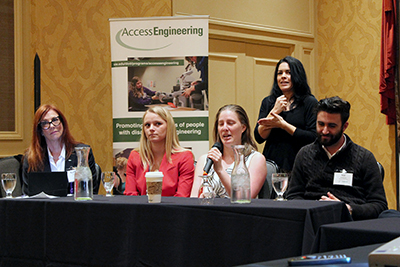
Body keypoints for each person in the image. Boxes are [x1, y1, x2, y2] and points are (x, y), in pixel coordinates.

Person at [286, 96, 388, 220]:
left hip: (349, 223)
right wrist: (315, 208)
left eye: (331, 126)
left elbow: (380, 205)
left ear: (344, 127)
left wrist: (348, 209)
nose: (324, 131)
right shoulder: (304, 154)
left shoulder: (364, 158)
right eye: (321, 124)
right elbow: (293, 196)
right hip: (311, 221)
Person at [254, 56, 318, 173]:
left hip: (299, 165)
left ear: (297, 75)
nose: (283, 76)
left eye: (288, 73)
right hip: (272, 165)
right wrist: (274, 111)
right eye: (279, 73)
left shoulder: (309, 102)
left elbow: (313, 137)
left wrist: (283, 125)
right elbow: (259, 137)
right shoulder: (268, 102)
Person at [191, 104, 267, 198]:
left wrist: (220, 170)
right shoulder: (204, 160)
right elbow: (193, 198)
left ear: (243, 128)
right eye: (221, 124)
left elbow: (243, 198)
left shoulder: (255, 159)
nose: (225, 128)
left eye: (230, 123)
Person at [22, 104, 98, 195]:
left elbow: (91, 191)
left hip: (76, 207)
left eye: (55, 120)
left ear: (63, 123)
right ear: (40, 131)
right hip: (44, 208)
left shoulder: (82, 153)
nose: (52, 126)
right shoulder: (31, 159)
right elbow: (27, 195)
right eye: (45, 123)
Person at [125, 106, 194, 197]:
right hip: (140, 209)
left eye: (157, 124)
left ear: (169, 127)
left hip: (173, 210)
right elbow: (130, 195)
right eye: (147, 125)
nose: (151, 128)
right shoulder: (135, 156)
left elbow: (182, 197)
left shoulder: (184, 156)